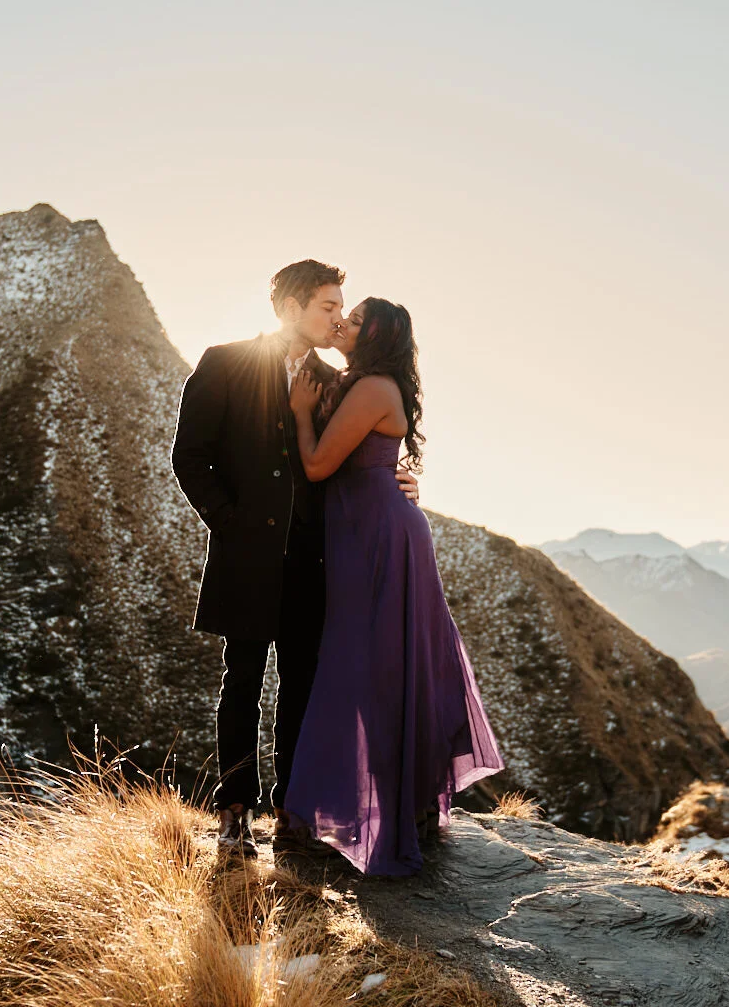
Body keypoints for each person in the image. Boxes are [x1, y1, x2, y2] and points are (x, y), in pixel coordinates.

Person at [171, 261, 419, 856]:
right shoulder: (225, 361)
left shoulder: (336, 381)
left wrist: (399, 482)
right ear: (291, 307)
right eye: (329, 307)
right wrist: (230, 525)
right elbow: (190, 456)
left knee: (302, 685)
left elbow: (355, 458)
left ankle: (292, 811)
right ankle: (234, 814)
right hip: (246, 558)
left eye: (342, 308)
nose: (338, 317)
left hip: (315, 560)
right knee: (242, 682)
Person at [282, 298, 505, 875]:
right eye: (342, 314)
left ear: (376, 338)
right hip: (365, 533)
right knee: (374, 667)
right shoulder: (359, 382)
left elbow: (316, 466)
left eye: (354, 321)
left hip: (379, 539)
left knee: (373, 668)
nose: (342, 324)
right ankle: (391, 808)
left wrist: (303, 412)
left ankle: (387, 814)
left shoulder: (374, 388)